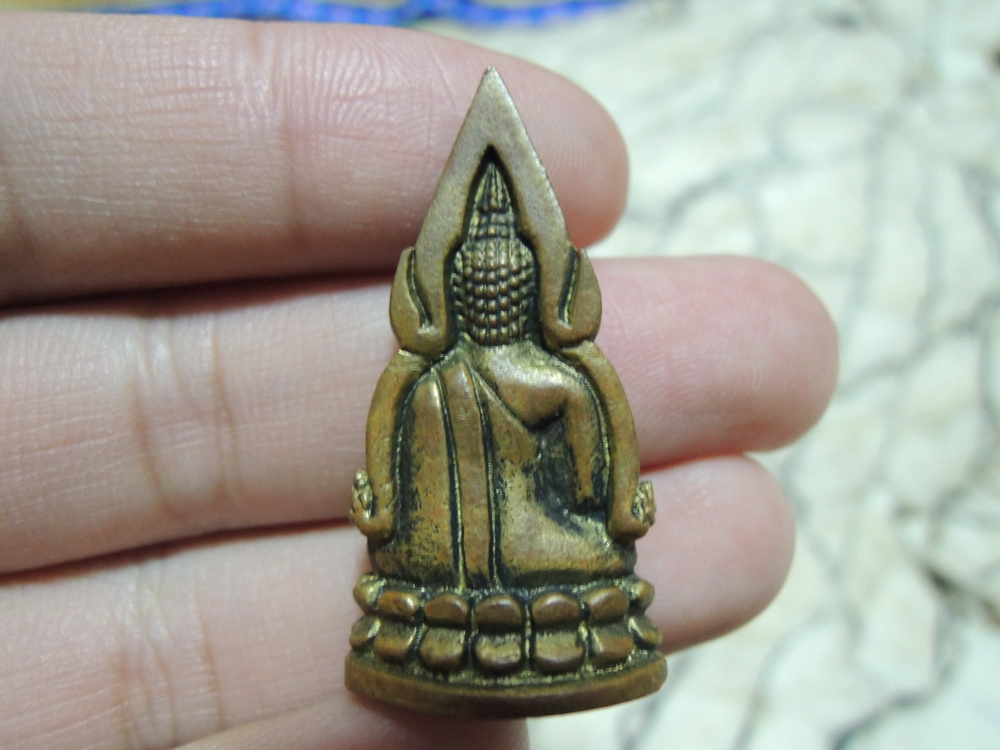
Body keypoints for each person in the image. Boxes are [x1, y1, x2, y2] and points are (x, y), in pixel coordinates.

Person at [0, 12, 838, 750]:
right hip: (534, 579)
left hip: (450, 589)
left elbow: (403, 491)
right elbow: (597, 489)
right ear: (509, 294)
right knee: (580, 561)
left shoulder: (440, 383)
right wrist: (612, 516)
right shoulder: (552, 382)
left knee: (473, 576)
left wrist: (399, 519)